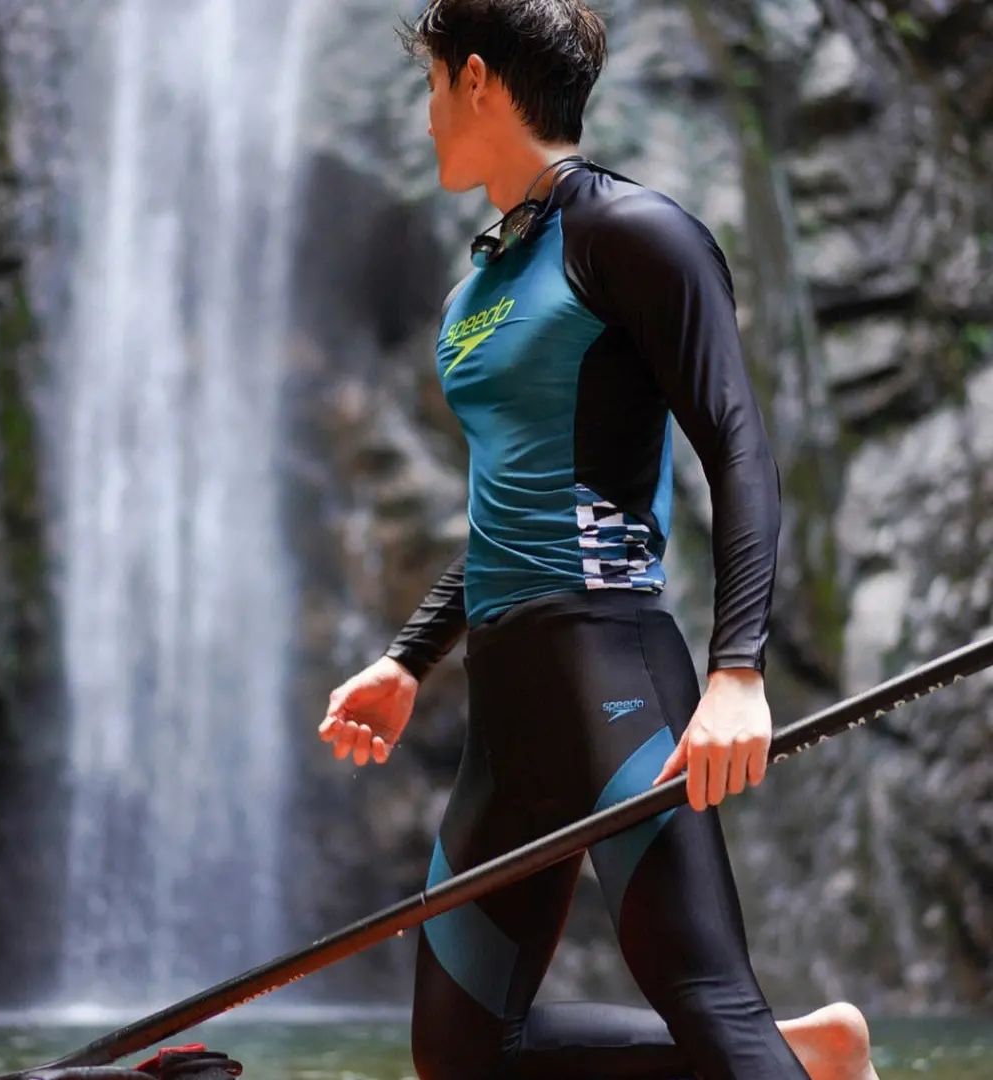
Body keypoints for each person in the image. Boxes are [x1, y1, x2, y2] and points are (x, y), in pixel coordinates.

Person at [319, 2, 880, 1078]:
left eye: (432, 86)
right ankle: (808, 1058)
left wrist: (738, 670)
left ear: (475, 79)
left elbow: (737, 445)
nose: (426, 115)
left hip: (609, 668)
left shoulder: (635, 233)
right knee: (464, 1057)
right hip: (507, 706)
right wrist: (408, 659)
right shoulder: (478, 286)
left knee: (711, 1004)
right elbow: (513, 509)